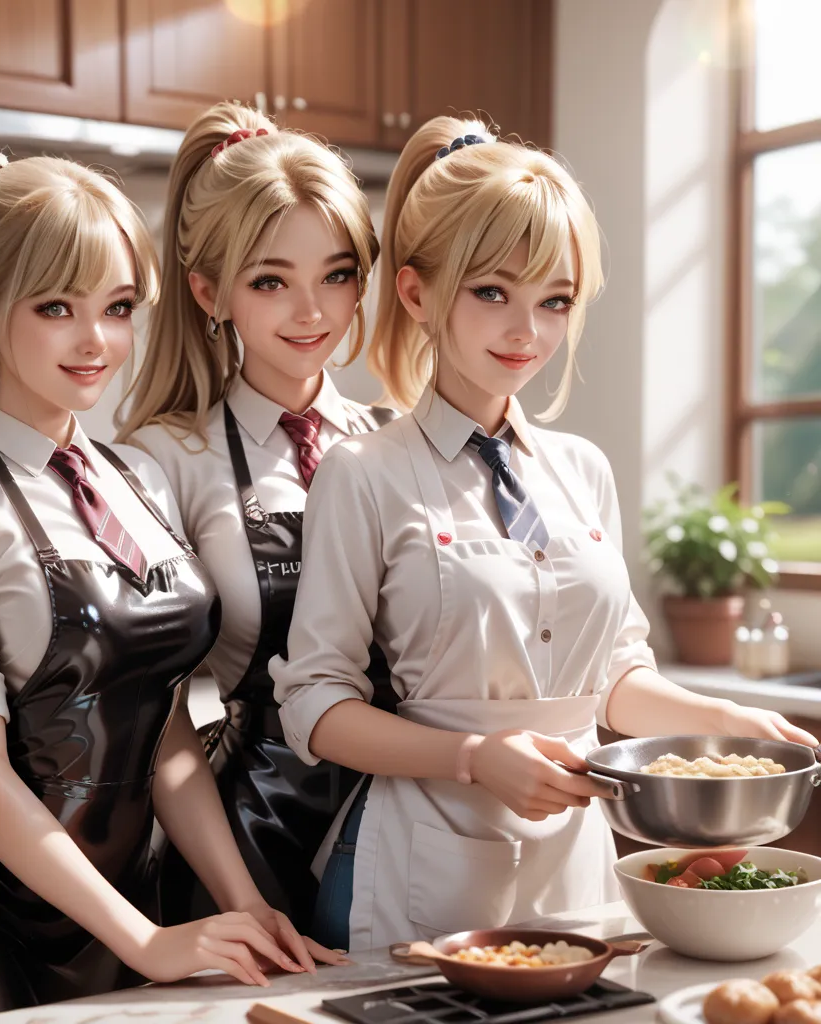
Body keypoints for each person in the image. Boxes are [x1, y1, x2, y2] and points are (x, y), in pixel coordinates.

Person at [270, 116, 819, 951]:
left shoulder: (582, 470)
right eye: (492, 293)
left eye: (553, 301)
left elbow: (613, 678)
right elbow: (314, 705)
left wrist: (723, 719)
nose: (527, 332)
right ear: (418, 294)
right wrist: (473, 757)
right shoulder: (365, 472)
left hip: (576, 860)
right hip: (423, 860)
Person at [0, 146, 341, 1024]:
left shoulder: (133, 478)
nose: (96, 340)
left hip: (115, 909)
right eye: (57, 308)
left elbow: (168, 735)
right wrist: (147, 942)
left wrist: (243, 905)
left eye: (116, 308)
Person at [115, 101, 396, 936]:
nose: (311, 312)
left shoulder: (398, 444)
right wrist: (244, 903)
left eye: (337, 275)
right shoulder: (164, 458)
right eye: (271, 281)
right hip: (253, 837)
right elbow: (153, 723)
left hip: (410, 823)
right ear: (209, 291)